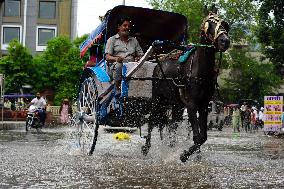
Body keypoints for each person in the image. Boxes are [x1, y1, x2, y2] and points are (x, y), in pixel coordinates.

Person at [105, 17, 144, 95]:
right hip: (115, 67)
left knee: (145, 65)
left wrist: (138, 58)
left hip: (132, 66)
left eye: (128, 26)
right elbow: (107, 57)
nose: (127, 28)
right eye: (124, 25)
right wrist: (116, 59)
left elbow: (141, 55)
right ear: (118, 27)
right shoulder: (112, 40)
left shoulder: (134, 40)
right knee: (119, 65)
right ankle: (117, 88)